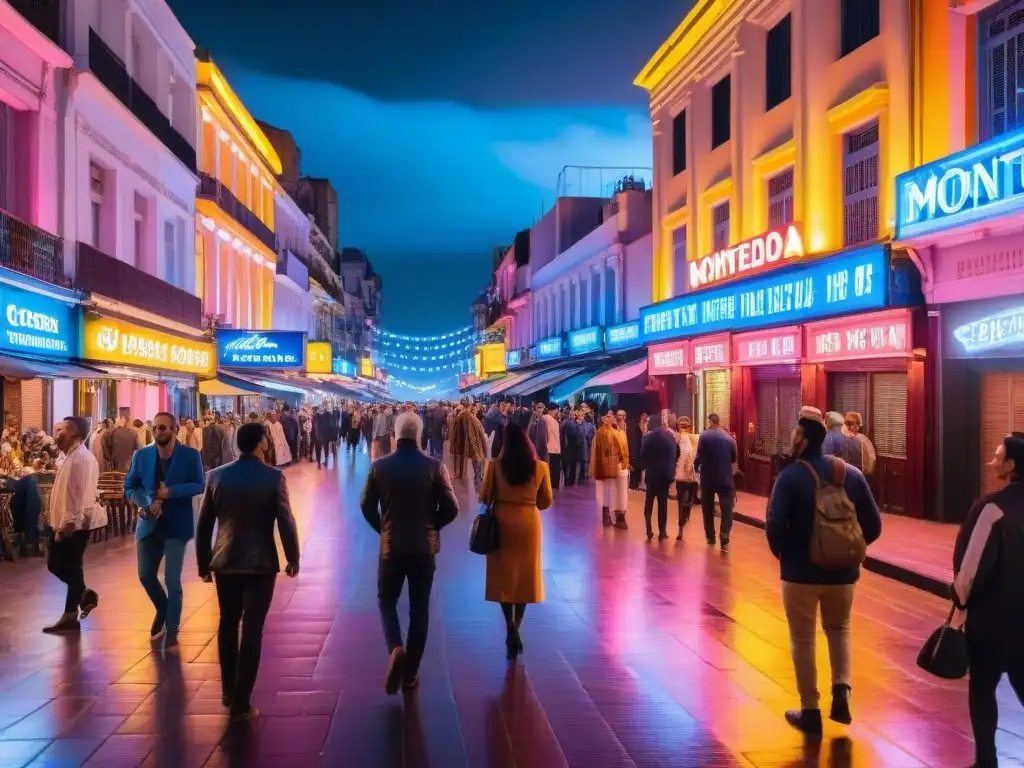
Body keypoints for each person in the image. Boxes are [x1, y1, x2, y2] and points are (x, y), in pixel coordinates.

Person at [766, 413, 881, 736]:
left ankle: (810, 709)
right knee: (839, 630)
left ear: (801, 439)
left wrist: (786, 556)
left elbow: (774, 526)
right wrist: (847, 550)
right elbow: (873, 525)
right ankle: (841, 690)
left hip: (800, 573)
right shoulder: (851, 474)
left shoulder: (790, 477)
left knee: (803, 639)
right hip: (843, 574)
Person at [196, 422, 300, 723]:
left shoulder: (216, 476)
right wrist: (292, 557)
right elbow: (286, 520)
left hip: (224, 560)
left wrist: (204, 564)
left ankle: (228, 690)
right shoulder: (273, 476)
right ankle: (242, 701)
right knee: (252, 628)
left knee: (228, 622)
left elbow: (204, 526)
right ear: (260, 443)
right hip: (260, 563)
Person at [360, 411, 459, 694]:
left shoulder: (379, 467)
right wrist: (431, 526)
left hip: (392, 546)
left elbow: (366, 505)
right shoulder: (434, 466)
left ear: (395, 433)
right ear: (420, 435)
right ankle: (410, 674)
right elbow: (452, 508)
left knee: (387, 600)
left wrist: (383, 529)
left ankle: (395, 647)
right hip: (423, 549)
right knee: (420, 609)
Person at [952, 433, 1024, 767]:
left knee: (983, 688)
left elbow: (970, 568)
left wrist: (960, 598)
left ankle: (986, 761)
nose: (991, 461)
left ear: (1011, 466)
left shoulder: (991, 509)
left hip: (992, 623)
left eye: (997, 457)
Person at [124, 412, 206, 650]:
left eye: (164, 428)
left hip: (176, 526)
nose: (159, 432)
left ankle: (172, 629)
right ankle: (163, 607)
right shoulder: (142, 455)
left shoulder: (190, 456)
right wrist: (145, 502)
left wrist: (170, 493)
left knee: (172, 579)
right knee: (146, 575)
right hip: (149, 525)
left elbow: (199, 484)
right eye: (157, 428)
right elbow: (130, 485)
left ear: (175, 429)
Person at [480, 422, 553, 659]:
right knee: (524, 576)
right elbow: (546, 501)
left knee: (504, 575)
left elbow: (484, 496)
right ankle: (516, 627)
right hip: (529, 523)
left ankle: (508, 623)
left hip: (502, 521)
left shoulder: (495, 466)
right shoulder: (541, 467)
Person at [42, 416, 104, 634]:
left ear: (75, 434)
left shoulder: (80, 459)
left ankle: (85, 594)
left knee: (57, 564)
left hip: (74, 525)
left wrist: (68, 524)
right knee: (72, 567)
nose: (57, 433)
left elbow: (78, 495)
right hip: (67, 522)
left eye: (62, 430)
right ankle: (71, 614)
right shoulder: (71, 456)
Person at [694, 413, 737, 552]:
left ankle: (710, 536)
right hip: (725, 479)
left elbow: (699, 456)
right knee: (727, 510)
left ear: (711, 421)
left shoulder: (704, 436)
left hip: (708, 478)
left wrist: (696, 467)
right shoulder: (729, 438)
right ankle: (724, 537)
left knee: (707, 508)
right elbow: (733, 459)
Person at [640, 414, 680, 541]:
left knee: (649, 502)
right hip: (665, 476)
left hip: (652, 474)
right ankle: (662, 532)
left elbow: (643, 455)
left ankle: (648, 530)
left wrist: (647, 465)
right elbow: (676, 453)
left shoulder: (648, 437)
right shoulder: (670, 437)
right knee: (663, 504)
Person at [591, 412, 628, 528]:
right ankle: (612, 516)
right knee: (611, 491)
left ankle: (615, 517)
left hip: (615, 466)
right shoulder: (608, 432)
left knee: (615, 492)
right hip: (611, 466)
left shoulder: (615, 432)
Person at [674, 417, 699, 540]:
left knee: (682, 503)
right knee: (688, 501)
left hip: (681, 476)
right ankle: (684, 520)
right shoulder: (696, 439)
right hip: (691, 476)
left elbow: (674, 455)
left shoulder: (677, 438)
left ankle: (681, 529)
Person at [844, 412, 876, 476]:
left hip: (859, 472)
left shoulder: (863, 439)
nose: (855, 425)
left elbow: (871, 458)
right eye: (851, 423)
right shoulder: (843, 437)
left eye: (857, 423)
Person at [543, 405, 562, 490]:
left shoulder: (544, 419)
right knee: (554, 471)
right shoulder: (550, 420)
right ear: (551, 411)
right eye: (556, 410)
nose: (557, 412)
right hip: (553, 449)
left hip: (550, 449)